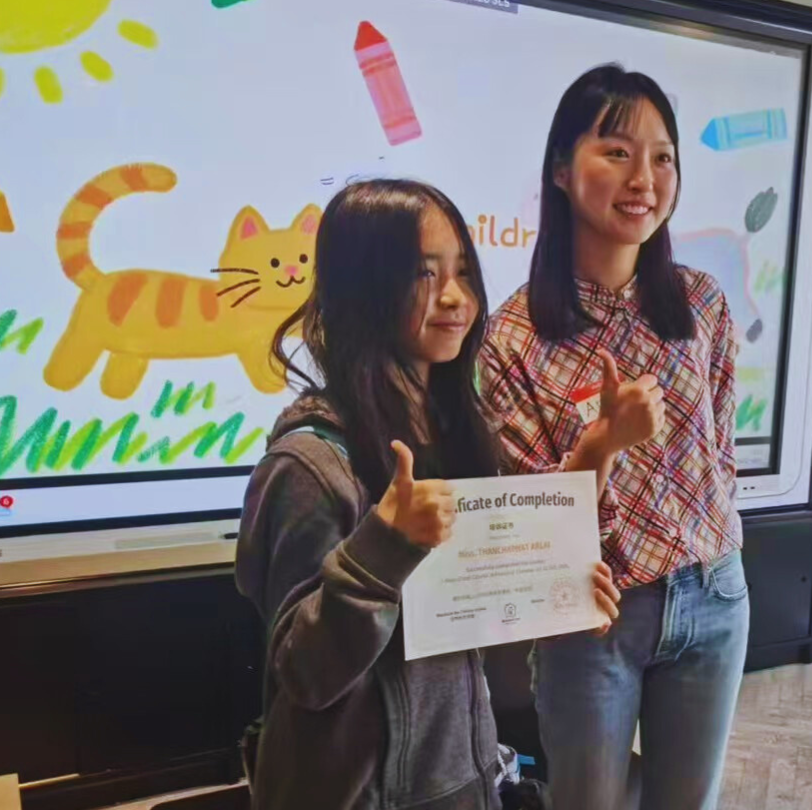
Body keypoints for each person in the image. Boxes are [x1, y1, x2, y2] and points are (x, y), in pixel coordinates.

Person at [235, 179, 622, 810]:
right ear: (363, 287)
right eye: (424, 273)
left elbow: (473, 619)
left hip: (463, 782)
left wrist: (561, 591)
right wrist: (382, 549)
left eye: (463, 271)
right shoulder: (306, 466)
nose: (455, 296)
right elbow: (303, 673)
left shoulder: (454, 433)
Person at [480, 65, 748, 810]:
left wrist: (718, 542)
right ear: (561, 170)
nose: (644, 179)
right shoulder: (512, 335)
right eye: (618, 152)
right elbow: (532, 519)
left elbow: (722, 452)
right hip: (590, 613)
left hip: (714, 594)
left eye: (663, 157)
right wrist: (603, 443)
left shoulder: (701, 303)